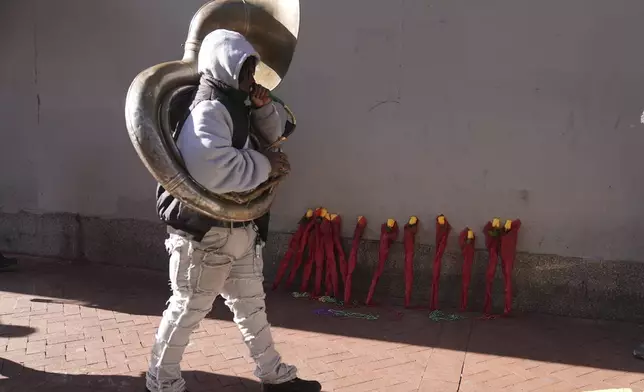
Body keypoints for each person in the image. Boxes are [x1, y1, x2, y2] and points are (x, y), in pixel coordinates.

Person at [145, 30, 321, 392]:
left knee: (252, 308)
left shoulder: (234, 102)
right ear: (226, 66)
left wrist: (262, 108)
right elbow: (213, 169)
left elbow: (271, 138)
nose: (250, 80)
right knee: (187, 311)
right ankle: (161, 382)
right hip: (205, 232)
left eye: (251, 71)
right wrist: (266, 165)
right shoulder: (209, 107)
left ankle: (274, 376)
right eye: (245, 71)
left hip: (237, 227)